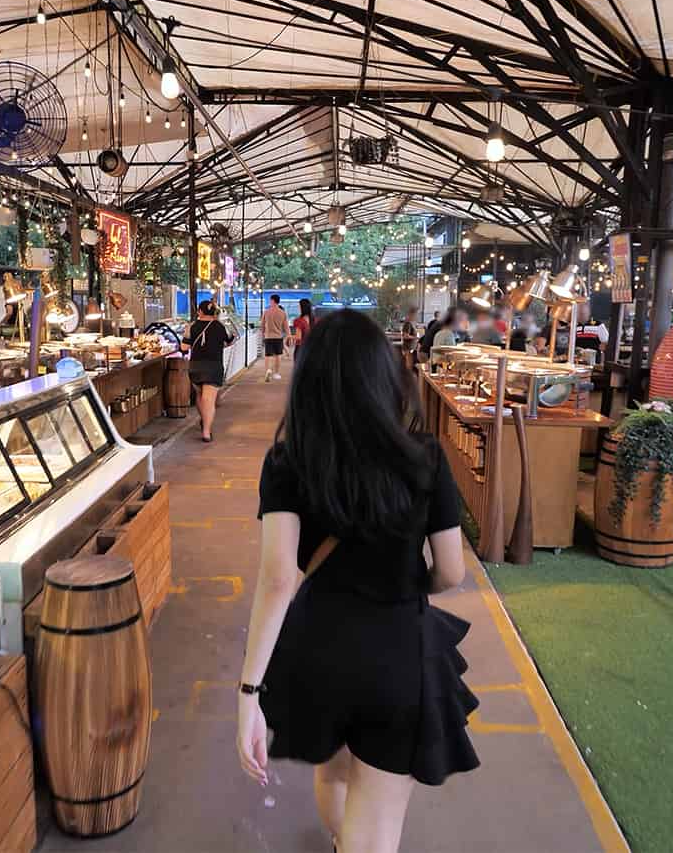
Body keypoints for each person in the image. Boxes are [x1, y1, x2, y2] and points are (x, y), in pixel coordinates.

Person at [237, 309, 478, 853]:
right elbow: (452, 570)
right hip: (399, 652)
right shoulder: (425, 458)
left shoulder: (287, 461)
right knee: (378, 823)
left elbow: (278, 581)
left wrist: (248, 693)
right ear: (385, 376)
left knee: (335, 772)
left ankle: (338, 840)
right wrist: (413, 584)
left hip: (317, 651)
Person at [181, 299, 235, 442]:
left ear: (200, 311)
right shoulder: (220, 326)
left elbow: (184, 348)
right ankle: (206, 431)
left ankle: (204, 420)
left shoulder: (191, 327)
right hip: (214, 365)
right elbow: (230, 341)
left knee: (200, 395)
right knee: (209, 399)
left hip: (196, 366)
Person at [261, 293, 290, 381]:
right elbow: (286, 327)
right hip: (278, 337)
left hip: (268, 336)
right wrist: (288, 336)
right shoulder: (282, 313)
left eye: (270, 300)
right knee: (278, 355)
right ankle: (276, 373)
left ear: (273, 301)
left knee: (267, 355)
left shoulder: (266, 312)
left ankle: (267, 370)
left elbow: (262, 325)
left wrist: (263, 333)